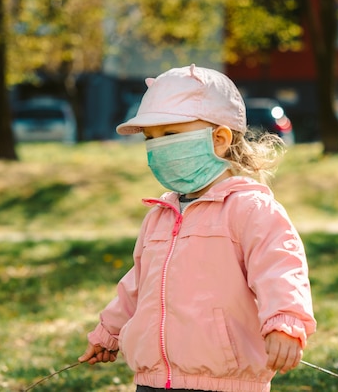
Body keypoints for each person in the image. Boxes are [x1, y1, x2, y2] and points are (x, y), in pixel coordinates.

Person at [79, 64, 316, 392]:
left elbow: (281, 267)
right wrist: (110, 330)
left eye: (171, 134)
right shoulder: (160, 215)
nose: (158, 147)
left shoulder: (250, 209)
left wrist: (285, 322)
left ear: (219, 138)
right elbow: (137, 284)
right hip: (153, 381)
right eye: (151, 138)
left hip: (225, 382)